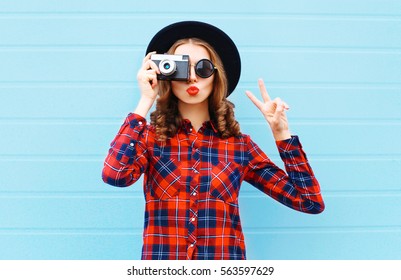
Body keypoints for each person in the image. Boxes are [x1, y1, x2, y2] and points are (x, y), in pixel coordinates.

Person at [102, 21, 325, 260]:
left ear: (216, 75)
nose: (191, 78)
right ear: (164, 72)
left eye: (203, 68)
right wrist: (145, 100)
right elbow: (115, 175)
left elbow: (309, 201)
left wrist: (282, 134)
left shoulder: (240, 146)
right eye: (180, 67)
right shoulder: (148, 138)